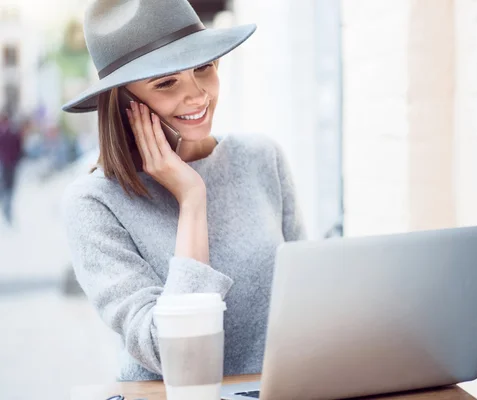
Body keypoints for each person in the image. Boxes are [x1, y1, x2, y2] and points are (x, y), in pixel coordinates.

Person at [61, 0, 306, 382]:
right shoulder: (93, 204)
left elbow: (307, 301)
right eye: (166, 82)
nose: (198, 96)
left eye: (203, 68)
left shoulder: (262, 158)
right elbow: (171, 352)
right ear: (125, 101)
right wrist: (192, 200)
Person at [0, 112, 23, 226]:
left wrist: (15, 160)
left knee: (9, 189)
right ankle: (6, 212)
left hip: (10, 165)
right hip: (4, 165)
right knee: (5, 189)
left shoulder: (14, 133)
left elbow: (19, 147)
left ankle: (7, 213)